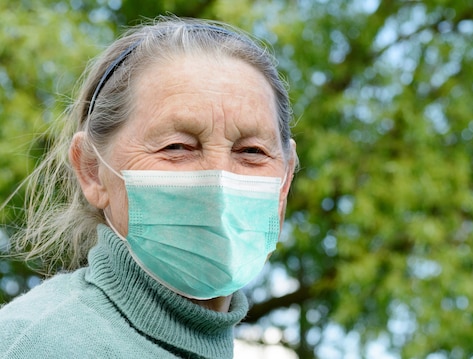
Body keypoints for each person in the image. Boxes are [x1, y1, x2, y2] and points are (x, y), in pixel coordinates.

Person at [0, 15, 297, 358]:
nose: (219, 183)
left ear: (284, 181)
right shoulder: (36, 345)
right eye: (177, 147)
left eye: (251, 152)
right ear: (93, 171)